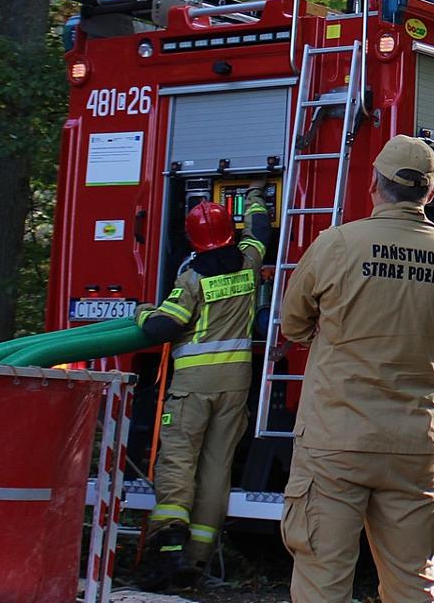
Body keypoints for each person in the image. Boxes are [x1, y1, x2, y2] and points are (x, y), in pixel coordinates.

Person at [279, 135, 434, 603]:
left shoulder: (338, 244)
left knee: (323, 580)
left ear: (374, 184)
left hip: (335, 439)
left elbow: (292, 322)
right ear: (429, 194)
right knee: (413, 584)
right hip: (413, 445)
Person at [137, 190, 271, 590]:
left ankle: (168, 547)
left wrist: (143, 311)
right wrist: (256, 197)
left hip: (193, 387)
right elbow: (261, 230)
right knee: (216, 469)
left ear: (192, 239)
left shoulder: (192, 278)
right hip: (236, 386)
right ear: (231, 233)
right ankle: (197, 559)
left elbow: (164, 326)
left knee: (179, 459)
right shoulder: (249, 261)